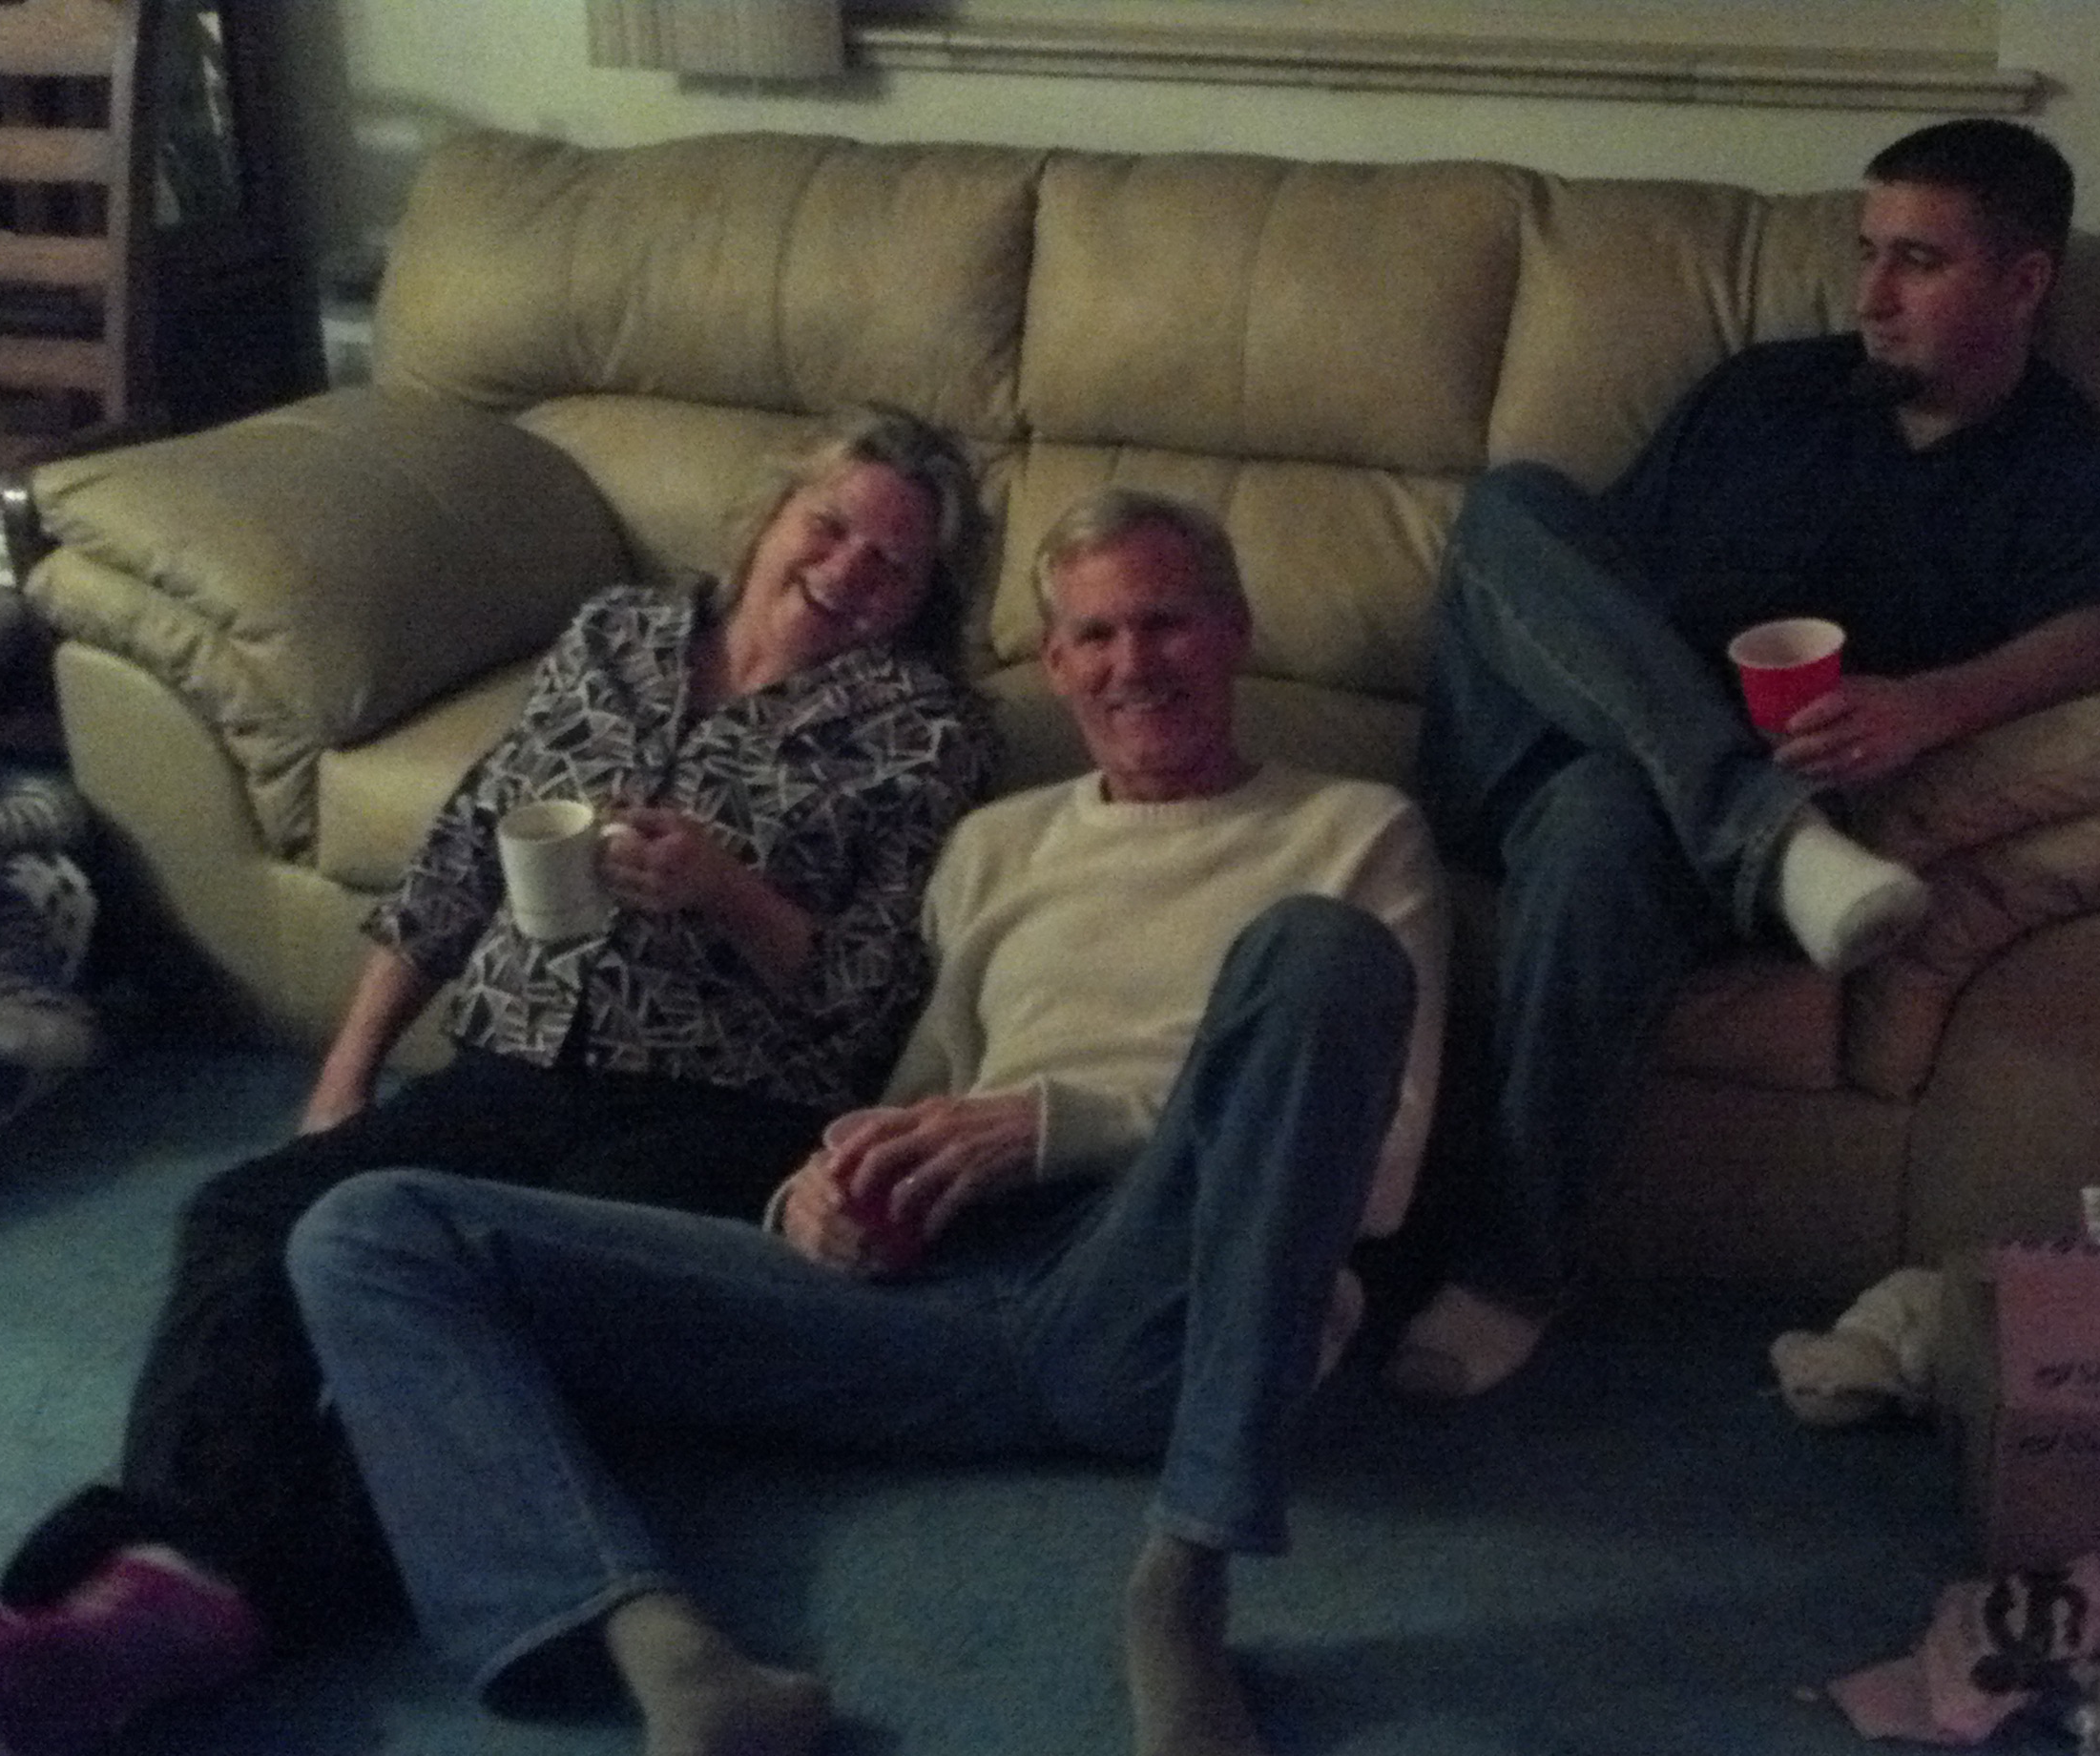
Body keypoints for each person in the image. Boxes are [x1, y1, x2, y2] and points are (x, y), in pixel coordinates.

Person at [280, 489, 1445, 1756]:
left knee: (1316, 953)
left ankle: (1185, 1584)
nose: (1132, 665)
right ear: (1056, 666)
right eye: (1094, 636)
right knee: (369, 1231)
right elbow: (904, 1096)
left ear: (1234, 632)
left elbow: (1376, 1170)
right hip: (933, 1303)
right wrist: (819, 1194)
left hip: (1163, 1294)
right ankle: (668, 1657)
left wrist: (1053, 1127)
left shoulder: (1355, 831)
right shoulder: (995, 845)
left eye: (1165, 623)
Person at [0, 403, 1000, 1754]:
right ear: (772, 516)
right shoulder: (616, 634)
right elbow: (461, 859)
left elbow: (873, 1001)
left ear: (921, 600)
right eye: (828, 526)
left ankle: (173, 1606)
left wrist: (729, 891)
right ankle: (177, 1573)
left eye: (891, 564)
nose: (845, 570)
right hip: (511, 1062)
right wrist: (346, 1081)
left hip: (725, 1104)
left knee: (499, 1328)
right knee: (250, 1214)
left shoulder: (924, 730)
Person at [1392, 117, 2100, 1400]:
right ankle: (1767, 833)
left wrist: (1935, 704)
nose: (1870, 296)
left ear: (2024, 282)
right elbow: (1579, 588)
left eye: (1918, 262)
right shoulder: (1764, 393)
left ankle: (1510, 1273)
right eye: (1867, 252)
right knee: (1512, 506)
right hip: (1520, 745)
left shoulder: (2067, 472)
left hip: (1644, 831)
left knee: (1607, 821)